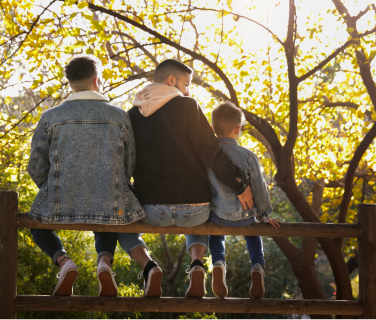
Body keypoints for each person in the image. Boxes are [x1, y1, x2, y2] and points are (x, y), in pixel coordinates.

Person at [27, 55, 163, 298]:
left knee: (36, 224)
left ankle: (63, 261)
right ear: (96, 80)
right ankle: (105, 264)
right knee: (110, 211)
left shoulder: (51, 117)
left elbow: (36, 166)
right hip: (108, 201)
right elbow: (130, 163)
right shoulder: (119, 116)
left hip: (62, 200)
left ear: (70, 82)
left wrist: (52, 187)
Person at [128, 59, 252, 298]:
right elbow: (211, 152)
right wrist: (239, 185)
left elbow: (127, 160)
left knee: (118, 220)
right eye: (186, 84)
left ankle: (149, 266)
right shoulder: (187, 106)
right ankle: (197, 263)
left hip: (152, 210)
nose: (188, 91)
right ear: (171, 81)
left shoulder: (133, 113)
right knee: (202, 214)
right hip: (194, 210)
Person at [207, 101, 281, 299]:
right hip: (245, 217)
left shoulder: (207, 156)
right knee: (253, 234)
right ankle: (257, 267)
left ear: (212, 128)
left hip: (217, 216)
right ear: (238, 129)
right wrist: (265, 215)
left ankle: (218, 264)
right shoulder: (248, 156)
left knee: (215, 236)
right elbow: (258, 188)